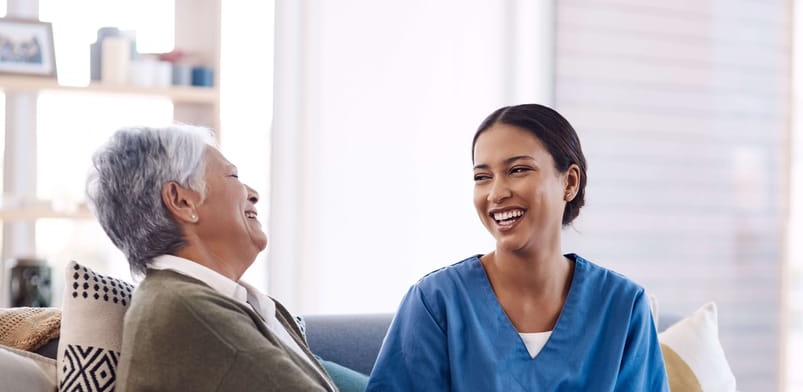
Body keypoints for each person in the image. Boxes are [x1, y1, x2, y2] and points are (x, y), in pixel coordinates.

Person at [366, 104, 669, 391]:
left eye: (518, 170)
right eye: (482, 177)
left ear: (570, 182)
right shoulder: (435, 303)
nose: (496, 193)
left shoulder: (623, 307)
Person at [86, 125, 338, 391]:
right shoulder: (186, 310)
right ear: (181, 201)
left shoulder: (217, 300)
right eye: (234, 176)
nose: (253, 193)